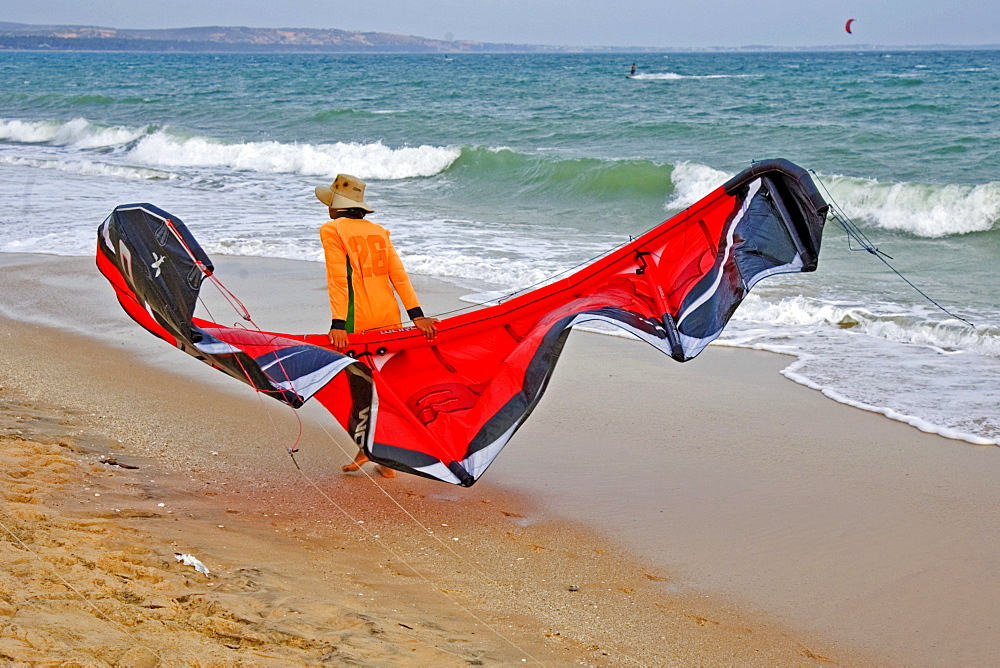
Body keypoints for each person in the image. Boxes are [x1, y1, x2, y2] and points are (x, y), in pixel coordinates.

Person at [316, 173, 439, 477]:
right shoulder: (379, 232)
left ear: (335, 207)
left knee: (361, 387)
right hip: (389, 318)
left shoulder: (332, 230)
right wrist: (417, 316)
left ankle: (374, 452)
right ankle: (378, 453)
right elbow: (399, 275)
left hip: (357, 322)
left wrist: (338, 324)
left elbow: (339, 280)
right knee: (383, 388)